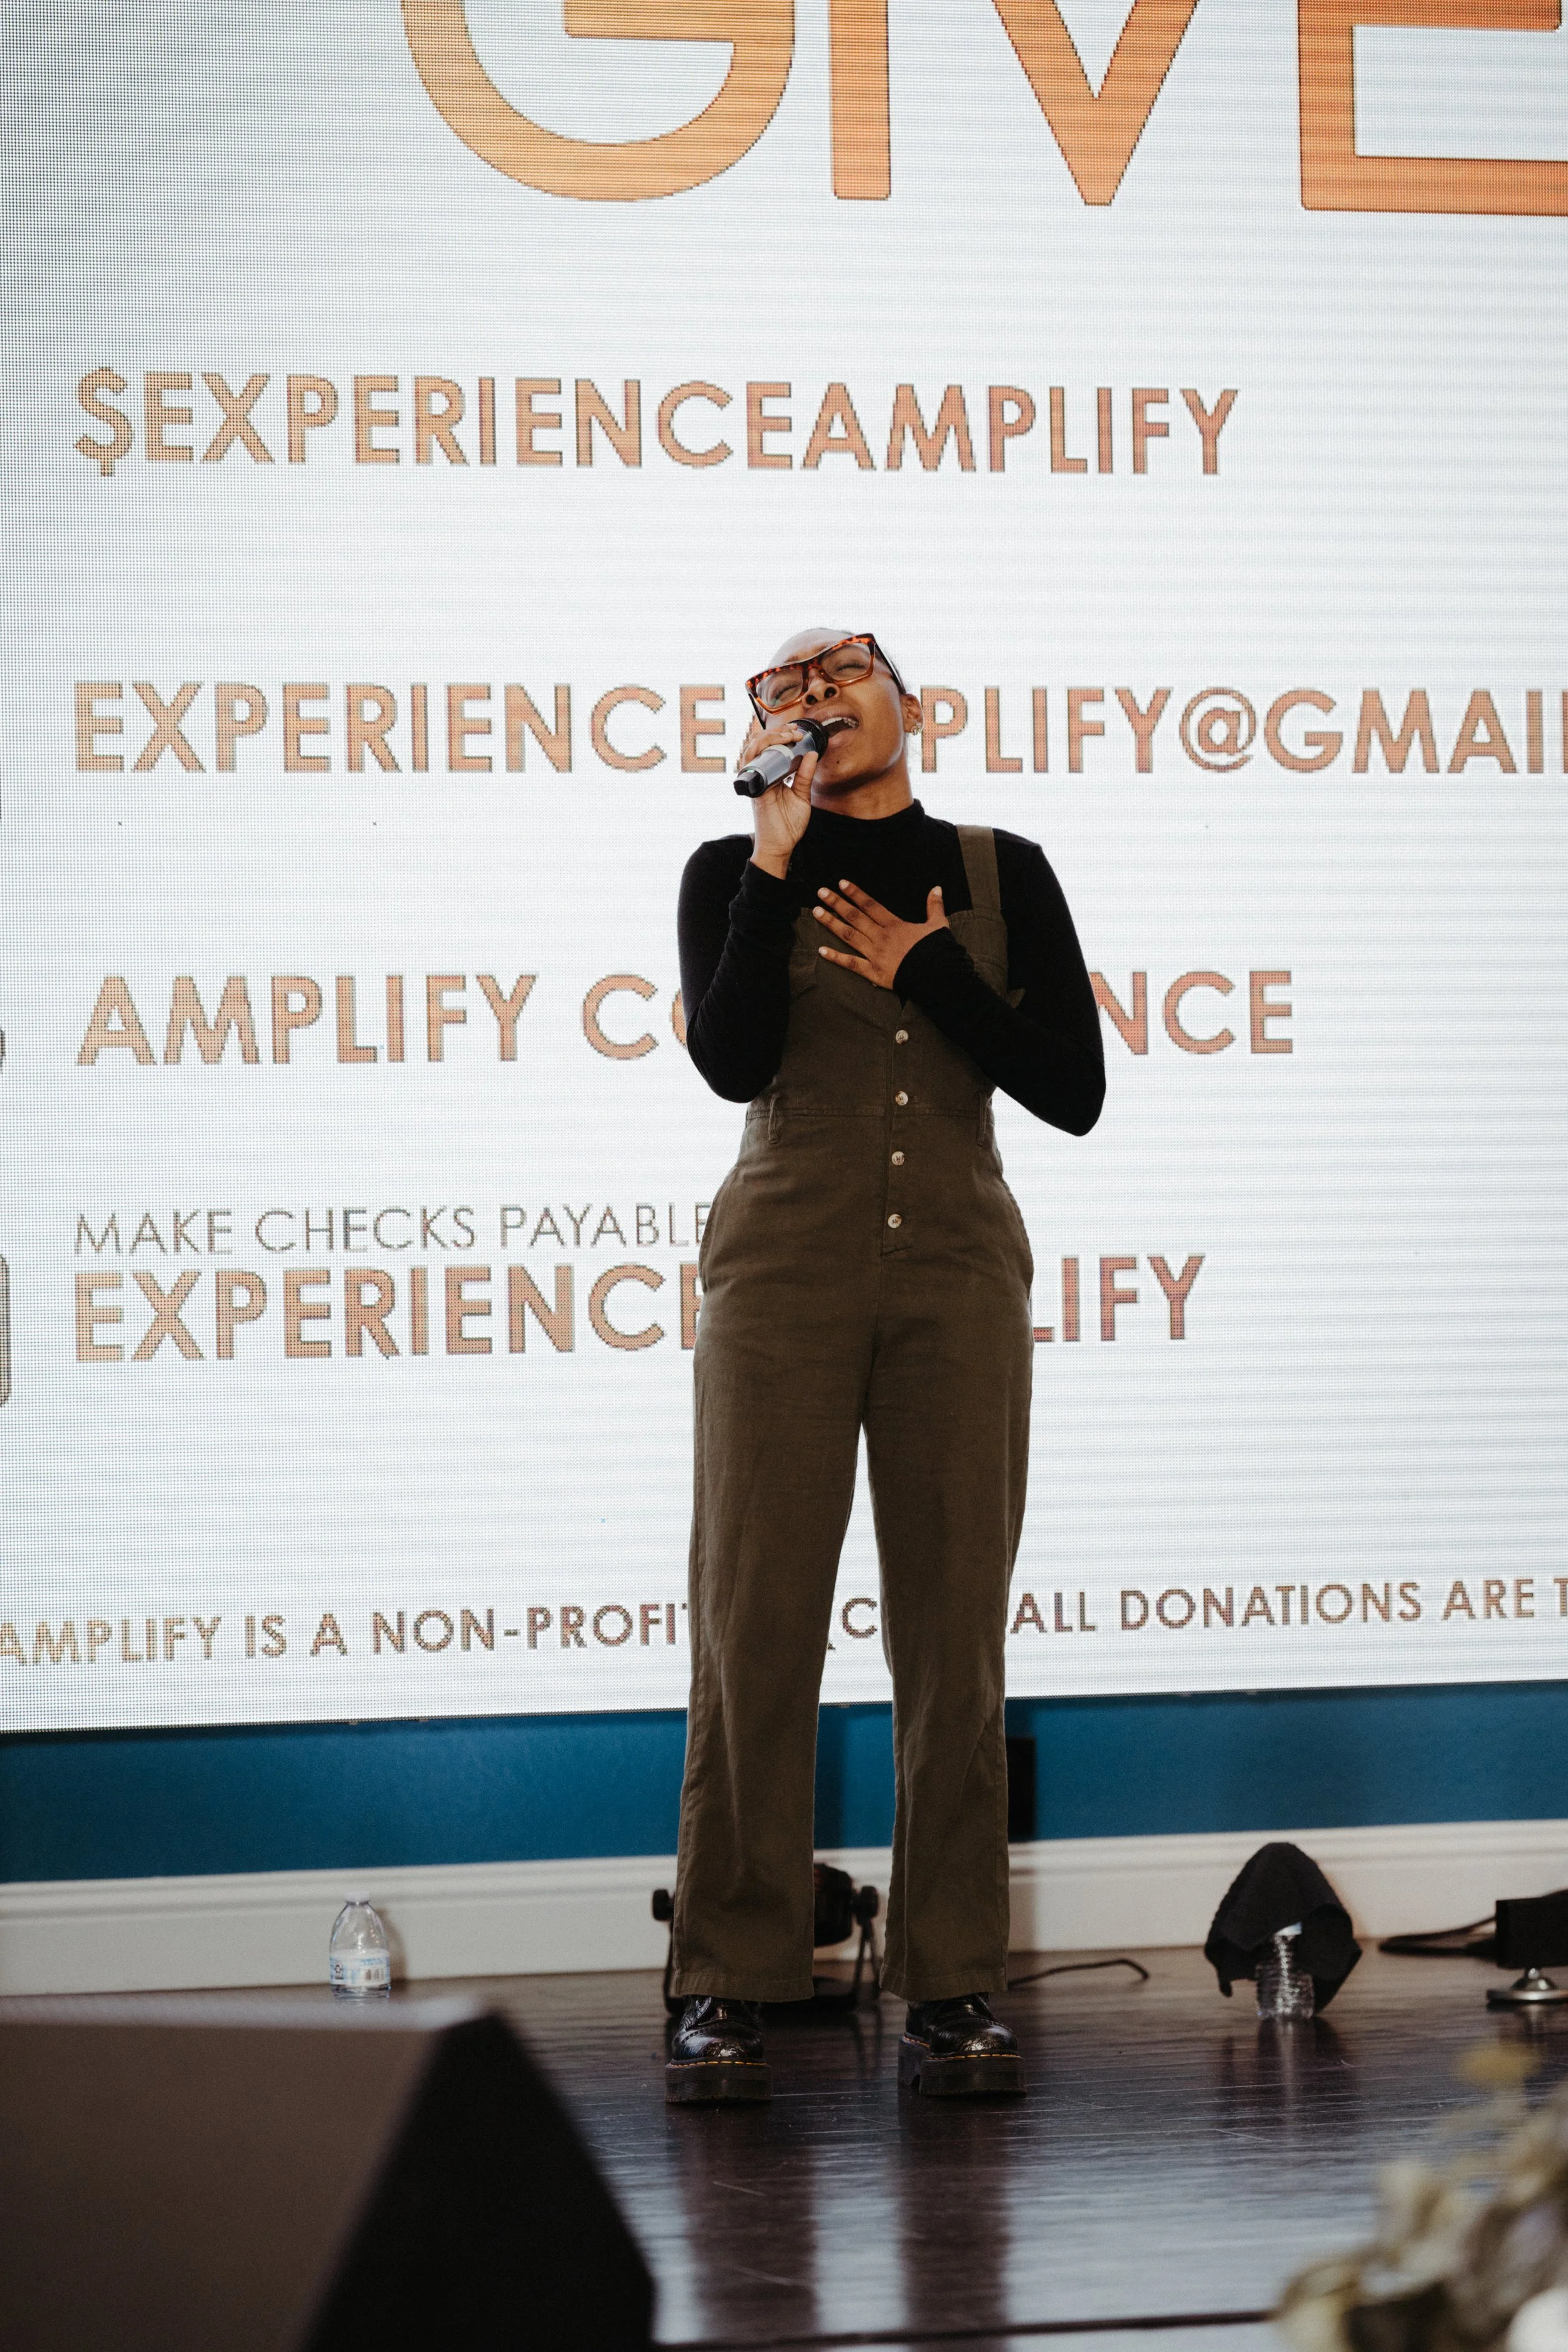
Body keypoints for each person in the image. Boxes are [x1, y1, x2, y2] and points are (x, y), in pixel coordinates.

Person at [666, 628, 1104, 2103]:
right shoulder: (727, 875)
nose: (810, 700)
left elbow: (1072, 1093)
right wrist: (775, 861)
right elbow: (728, 1063)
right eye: (778, 691)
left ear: (910, 705)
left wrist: (928, 969)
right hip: (779, 1274)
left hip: (956, 1279)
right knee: (751, 1630)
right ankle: (727, 1981)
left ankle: (952, 1983)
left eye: (838, 673)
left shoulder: (1003, 869)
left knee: (952, 1641)